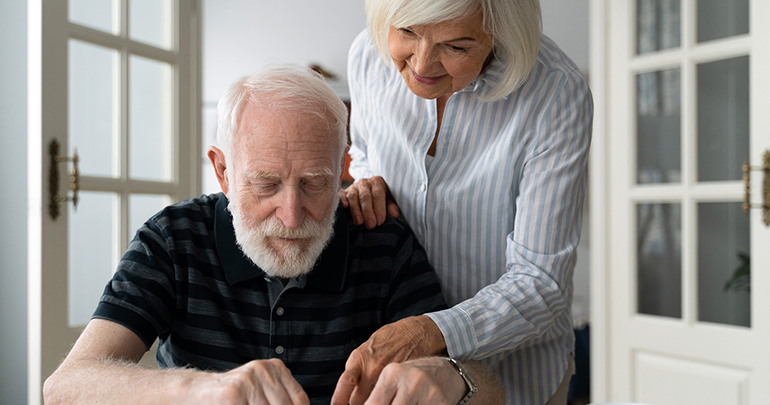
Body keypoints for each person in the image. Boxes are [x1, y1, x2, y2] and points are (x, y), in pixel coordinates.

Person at [43, 64, 504, 405]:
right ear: (222, 171)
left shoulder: (383, 245)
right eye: (265, 184)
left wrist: (454, 379)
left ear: (344, 165)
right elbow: (65, 386)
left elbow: (491, 389)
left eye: (314, 183)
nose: (290, 215)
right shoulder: (172, 239)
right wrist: (204, 389)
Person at [332, 0, 593, 404]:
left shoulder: (555, 93)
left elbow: (542, 281)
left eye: (455, 47)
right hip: (398, 371)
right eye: (407, 32)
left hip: (516, 375)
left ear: (499, 32)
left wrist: (430, 332)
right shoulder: (367, 55)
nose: (422, 63)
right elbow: (365, 150)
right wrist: (366, 183)